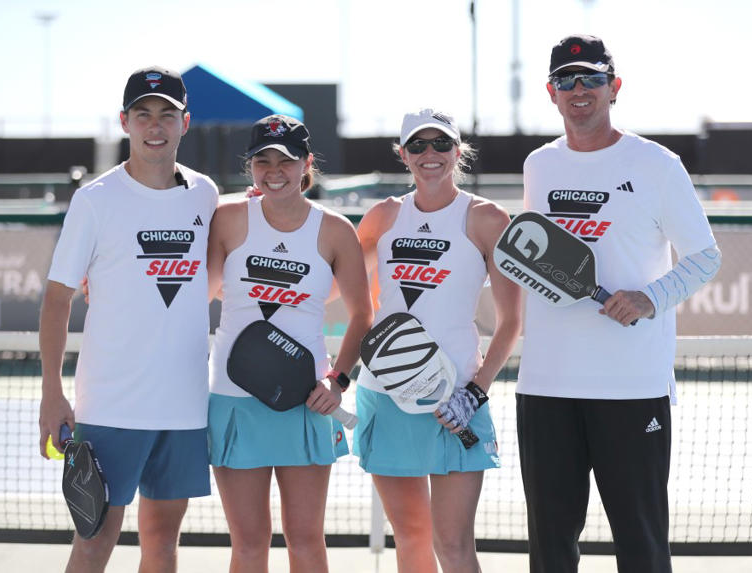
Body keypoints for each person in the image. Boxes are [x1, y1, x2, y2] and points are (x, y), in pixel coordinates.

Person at [517, 35, 722, 572]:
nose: (579, 90)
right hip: (545, 388)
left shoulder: (657, 163)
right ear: (551, 92)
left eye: (591, 79)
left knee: (642, 546)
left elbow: (704, 257)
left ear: (615, 87)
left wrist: (650, 298)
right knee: (550, 550)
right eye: (566, 80)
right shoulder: (538, 165)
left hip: (631, 388)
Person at [38, 66, 218, 572]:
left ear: (186, 122)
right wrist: (52, 393)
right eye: (143, 114)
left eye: (167, 114)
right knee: (95, 543)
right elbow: (56, 299)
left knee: (162, 543)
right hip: (111, 407)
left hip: (183, 407)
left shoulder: (205, 195)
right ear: (125, 121)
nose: (155, 125)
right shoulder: (95, 201)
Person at [354, 108, 522, 573]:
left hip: (456, 401)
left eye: (441, 144)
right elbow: (340, 286)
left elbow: (510, 323)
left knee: (452, 547)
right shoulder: (383, 215)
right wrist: (265, 212)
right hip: (385, 396)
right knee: (410, 538)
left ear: (458, 151)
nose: (430, 155)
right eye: (418, 146)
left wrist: (474, 393)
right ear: (403, 154)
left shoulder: (487, 218)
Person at [206, 114, 373, 572]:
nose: (274, 170)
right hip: (233, 399)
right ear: (251, 166)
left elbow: (363, 315)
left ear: (307, 164)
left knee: (304, 540)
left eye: (286, 160)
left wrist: (337, 381)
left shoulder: (336, 230)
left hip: (308, 404)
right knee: (249, 543)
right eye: (263, 160)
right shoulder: (225, 219)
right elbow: (186, 287)